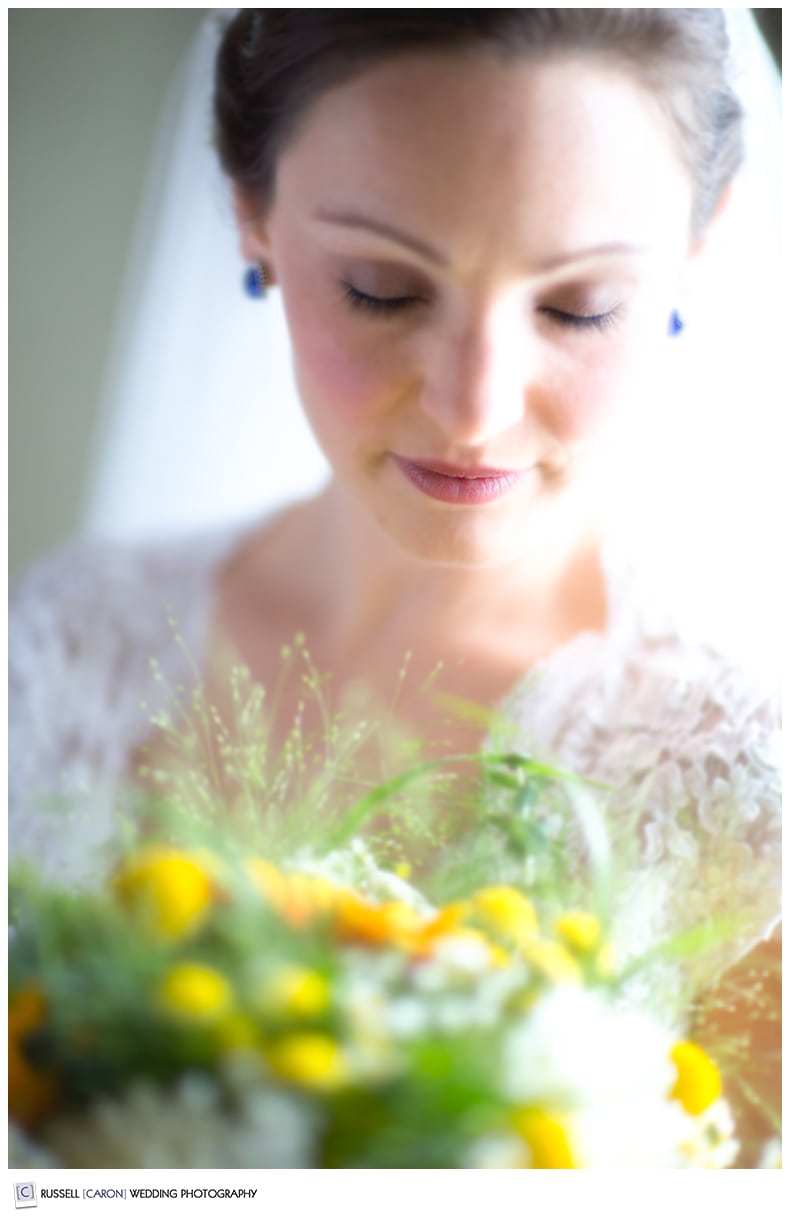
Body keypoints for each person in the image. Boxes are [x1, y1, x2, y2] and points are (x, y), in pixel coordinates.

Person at [9, 9, 780, 1162]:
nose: (473, 409)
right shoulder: (63, 645)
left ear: (697, 248)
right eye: (381, 288)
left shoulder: (741, 797)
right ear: (252, 216)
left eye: (576, 305)